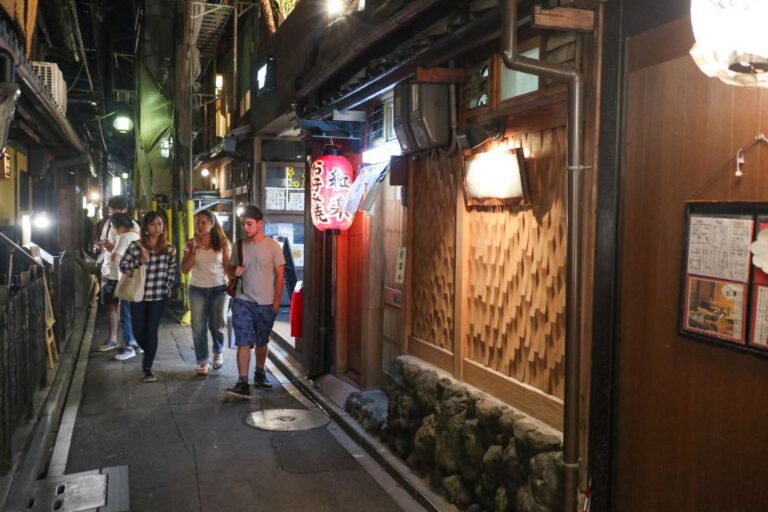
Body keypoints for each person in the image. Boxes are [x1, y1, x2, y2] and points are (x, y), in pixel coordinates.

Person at [225, 205, 285, 399]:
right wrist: (234, 272)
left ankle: (259, 372)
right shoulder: (239, 245)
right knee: (243, 341)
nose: (246, 228)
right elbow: (230, 268)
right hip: (243, 300)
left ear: (260, 224)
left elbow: (280, 275)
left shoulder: (273, 246)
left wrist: (276, 303)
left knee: (262, 340)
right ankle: (243, 382)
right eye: (244, 224)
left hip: (266, 302)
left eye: (249, 224)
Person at [119, 211, 177, 382]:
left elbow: (172, 272)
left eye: (160, 224)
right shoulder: (136, 246)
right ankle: (149, 351)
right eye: (153, 224)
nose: (157, 228)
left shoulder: (169, 248)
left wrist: (168, 292)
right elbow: (123, 266)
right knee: (138, 331)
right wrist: (140, 261)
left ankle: (147, 367)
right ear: (145, 227)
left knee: (151, 331)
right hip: (139, 295)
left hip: (159, 296)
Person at [181, 210, 231, 376]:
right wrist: (193, 254)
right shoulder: (190, 243)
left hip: (219, 288)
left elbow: (228, 267)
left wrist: (235, 279)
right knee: (198, 327)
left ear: (212, 223)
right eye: (197, 222)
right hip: (197, 289)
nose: (199, 225)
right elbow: (184, 269)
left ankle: (218, 351)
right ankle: (202, 361)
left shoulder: (223, 243)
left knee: (218, 323)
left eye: (203, 222)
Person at [95, 196, 136, 352]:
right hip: (110, 270)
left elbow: (131, 250)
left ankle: (130, 342)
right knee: (111, 305)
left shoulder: (132, 227)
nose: (112, 214)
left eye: (116, 211)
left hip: (125, 274)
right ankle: (113, 339)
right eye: (111, 210)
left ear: (125, 210)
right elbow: (104, 242)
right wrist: (102, 246)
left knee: (127, 309)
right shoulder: (107, 223)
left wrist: (113, 247)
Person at [110, 213, 143, 361]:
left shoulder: (124, 237)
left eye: (114, 228)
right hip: (139, 280)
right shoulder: (137, 235)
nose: (114, 231)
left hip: (126, 279)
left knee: (126, 314)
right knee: (136, 314)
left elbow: (115, 257)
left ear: (121, 227)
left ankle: (129, 346)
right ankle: (137, 344)